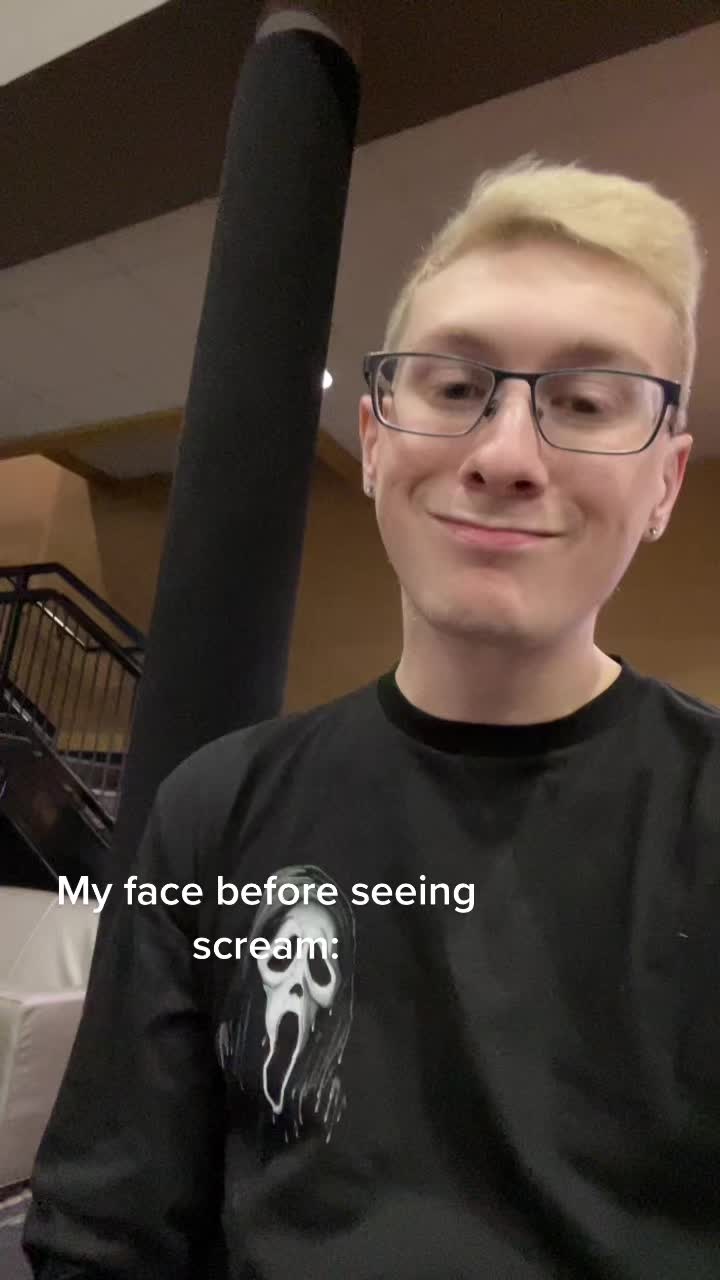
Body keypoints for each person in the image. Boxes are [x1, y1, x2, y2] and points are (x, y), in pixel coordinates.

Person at [23, 154, 720, 1280]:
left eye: (587, 403)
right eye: (453, 388)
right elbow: (105, 1235)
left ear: (667, 485)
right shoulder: (216, 810)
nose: (505, 456)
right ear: (376, 438)